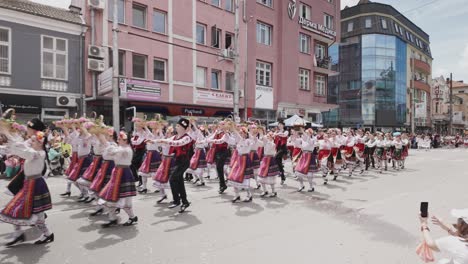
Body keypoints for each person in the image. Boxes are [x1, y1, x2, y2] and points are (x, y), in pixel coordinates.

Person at [0, 128, 54, 246]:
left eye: (33, 141)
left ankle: (48, 234)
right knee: (15, 209)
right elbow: (20, 145)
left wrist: (7, 133)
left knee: (37, 216)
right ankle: (19, 234)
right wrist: (8, 133)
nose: (30, 142)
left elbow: (23, 151)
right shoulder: (33, 151)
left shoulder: (39, 153)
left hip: (36, 186)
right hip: (28, 184)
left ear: (40, 143)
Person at [98, 131, 138, 227]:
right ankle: (112, 218)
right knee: (110, 197)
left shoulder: (127, 149)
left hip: (124, 174)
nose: (118, 140)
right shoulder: (120, 147)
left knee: (124, 200)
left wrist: (106, 143)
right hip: (117, 172)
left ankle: (132, 217)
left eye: (120, 139)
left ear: (125, 140)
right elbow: (107, 154)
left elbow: (113, 152)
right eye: (118, 139)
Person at [155, 118, 193, 213]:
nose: (176, 127)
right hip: (177, 160)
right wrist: (154, 141)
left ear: (184, 128)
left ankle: (177, 200)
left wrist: (165, 141)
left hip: (184, 161)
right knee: (179, 181)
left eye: (178, 126)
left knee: (172, 179)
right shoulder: (175, 136)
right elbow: (166, 140)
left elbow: (177, 143)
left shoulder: (187, 137)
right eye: (177, 125)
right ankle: (185, 201)